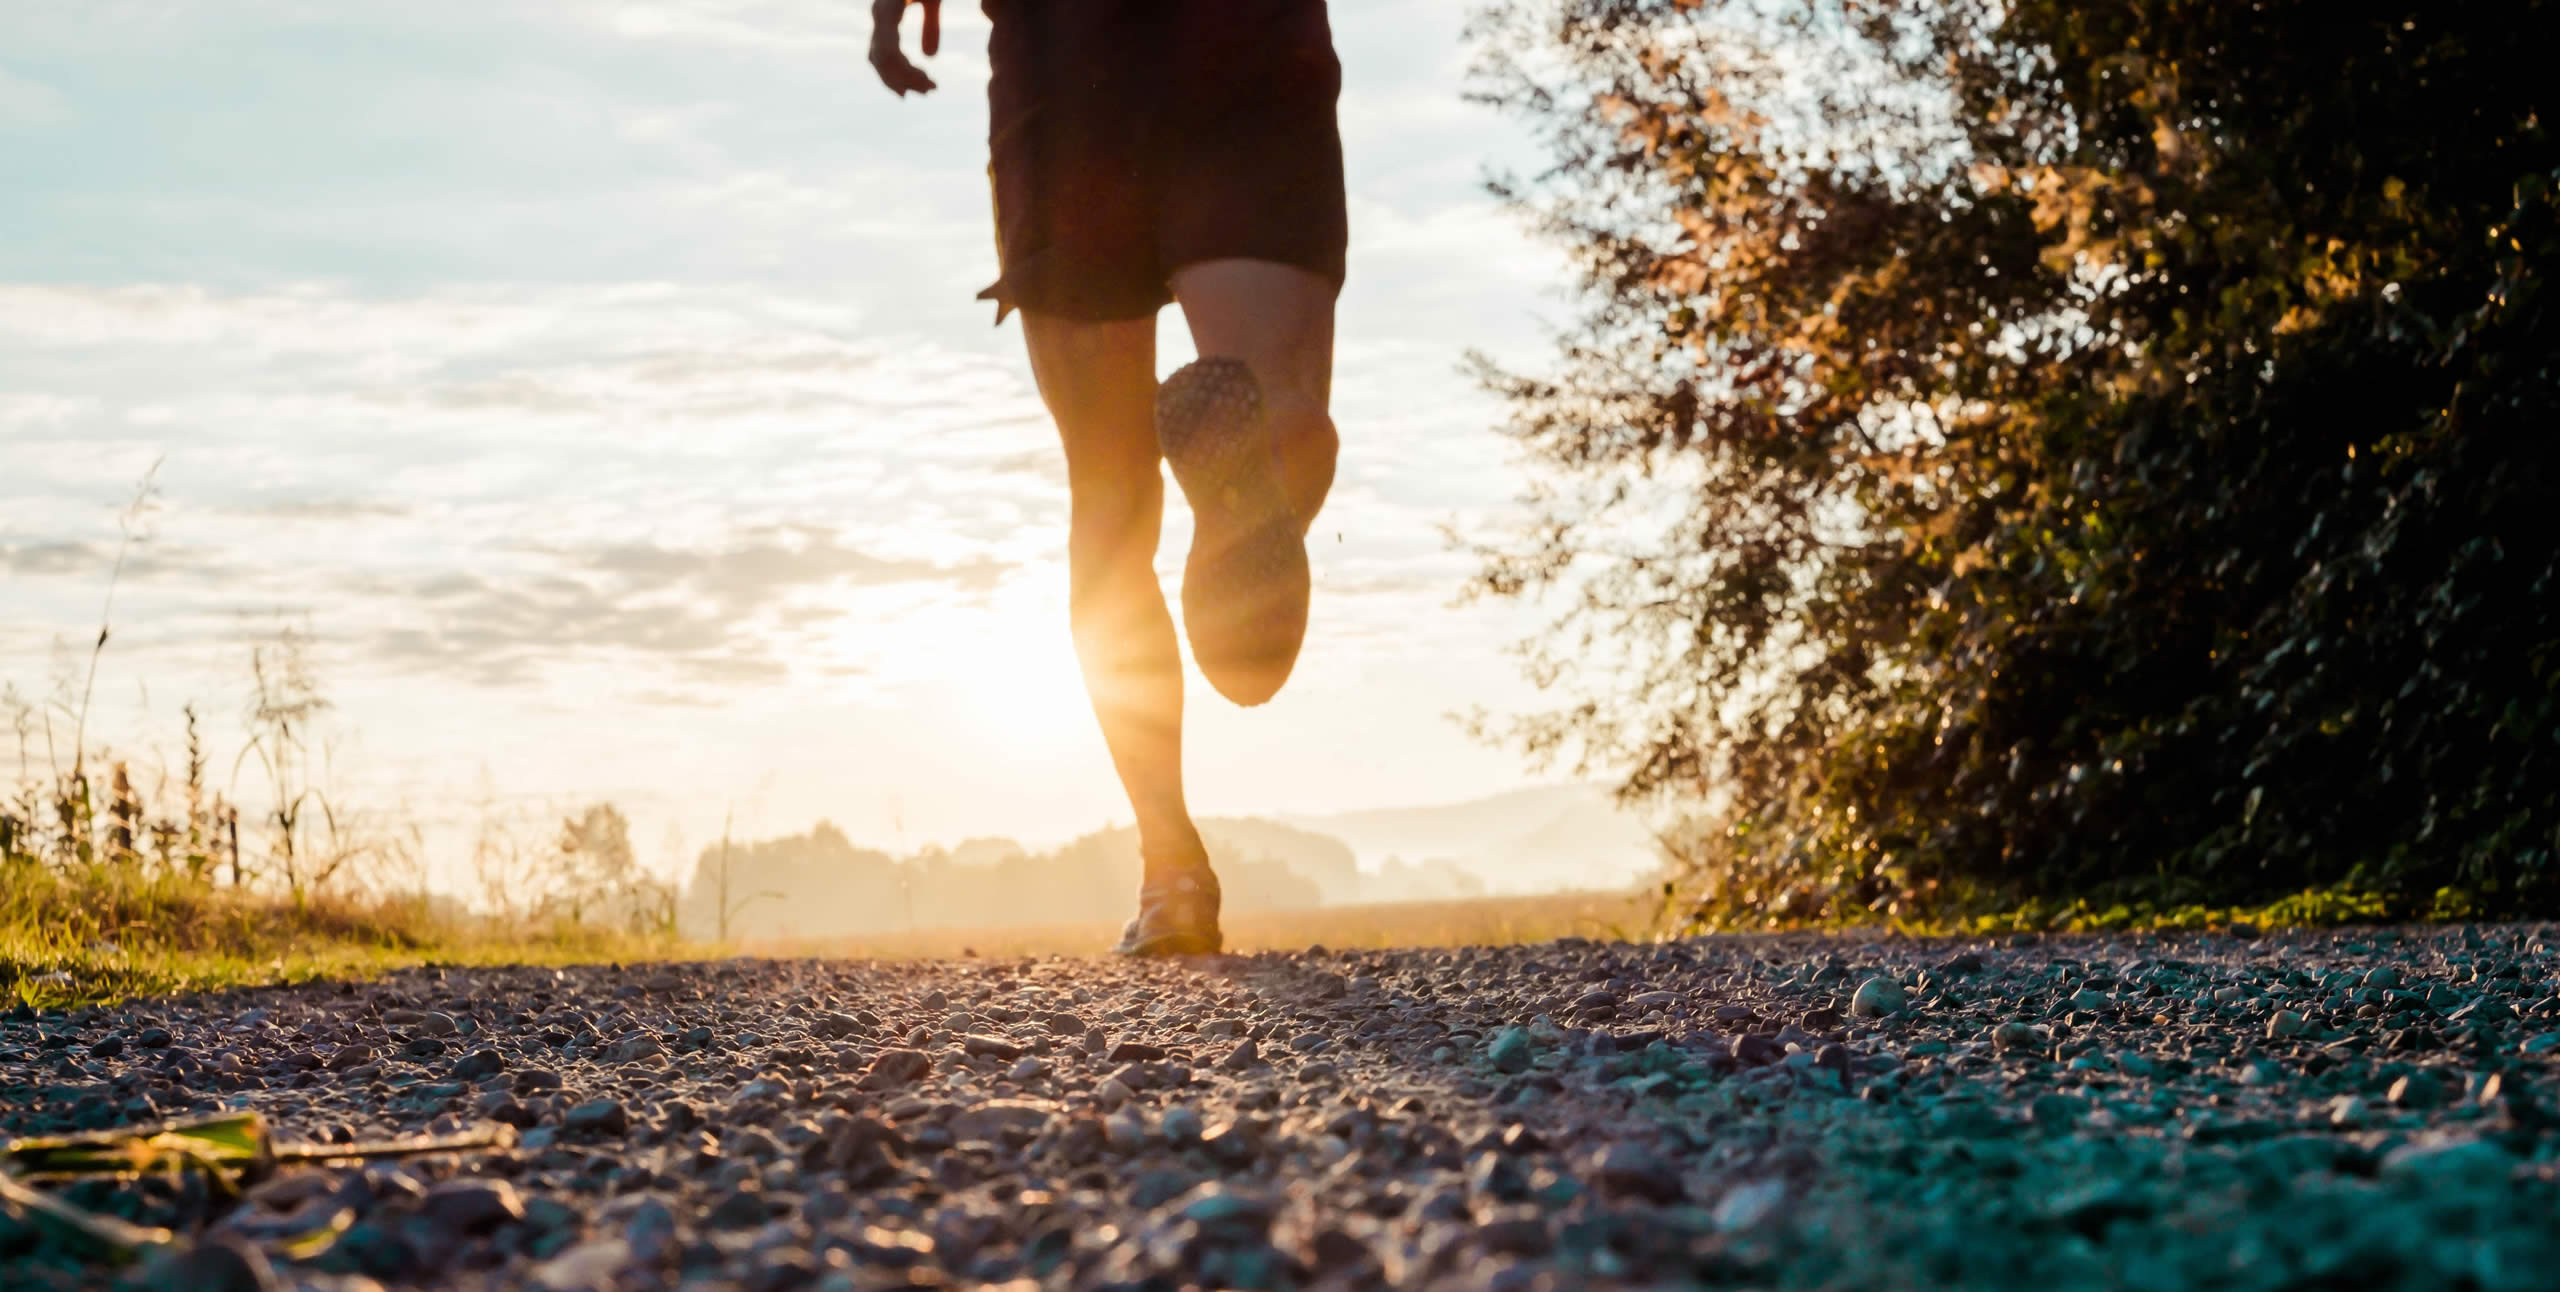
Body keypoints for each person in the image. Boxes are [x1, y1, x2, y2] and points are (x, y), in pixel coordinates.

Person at [868, 0, 1347, 955]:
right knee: (1277, 400)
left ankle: (1172, 868)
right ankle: (1253, 481)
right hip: (1240, 37)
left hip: (1065, 53)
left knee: (1111, 492)